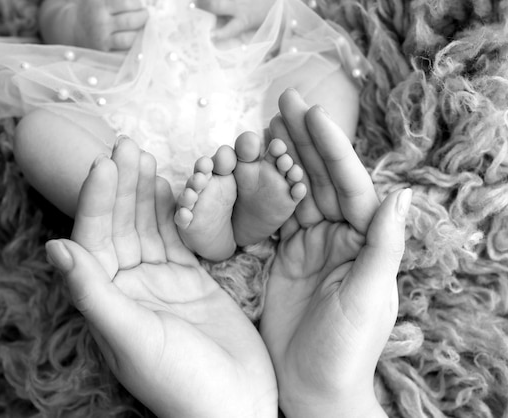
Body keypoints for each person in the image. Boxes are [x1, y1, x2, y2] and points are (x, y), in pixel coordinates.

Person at [45, 90, 411, 418]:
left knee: (46, 132)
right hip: (240, 113)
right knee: (315, 102)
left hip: (171, 137)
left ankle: (203, 220)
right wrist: (330, 401)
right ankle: (219, 225)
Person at [0, 0, 370, 260]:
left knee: (330, 78)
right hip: (127, 116)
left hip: (248, 91)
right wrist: (77, 21)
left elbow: (298, 11)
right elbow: (54, 11)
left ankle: (279, 189)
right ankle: (166, 218)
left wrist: (260, 6)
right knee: (37, 135)